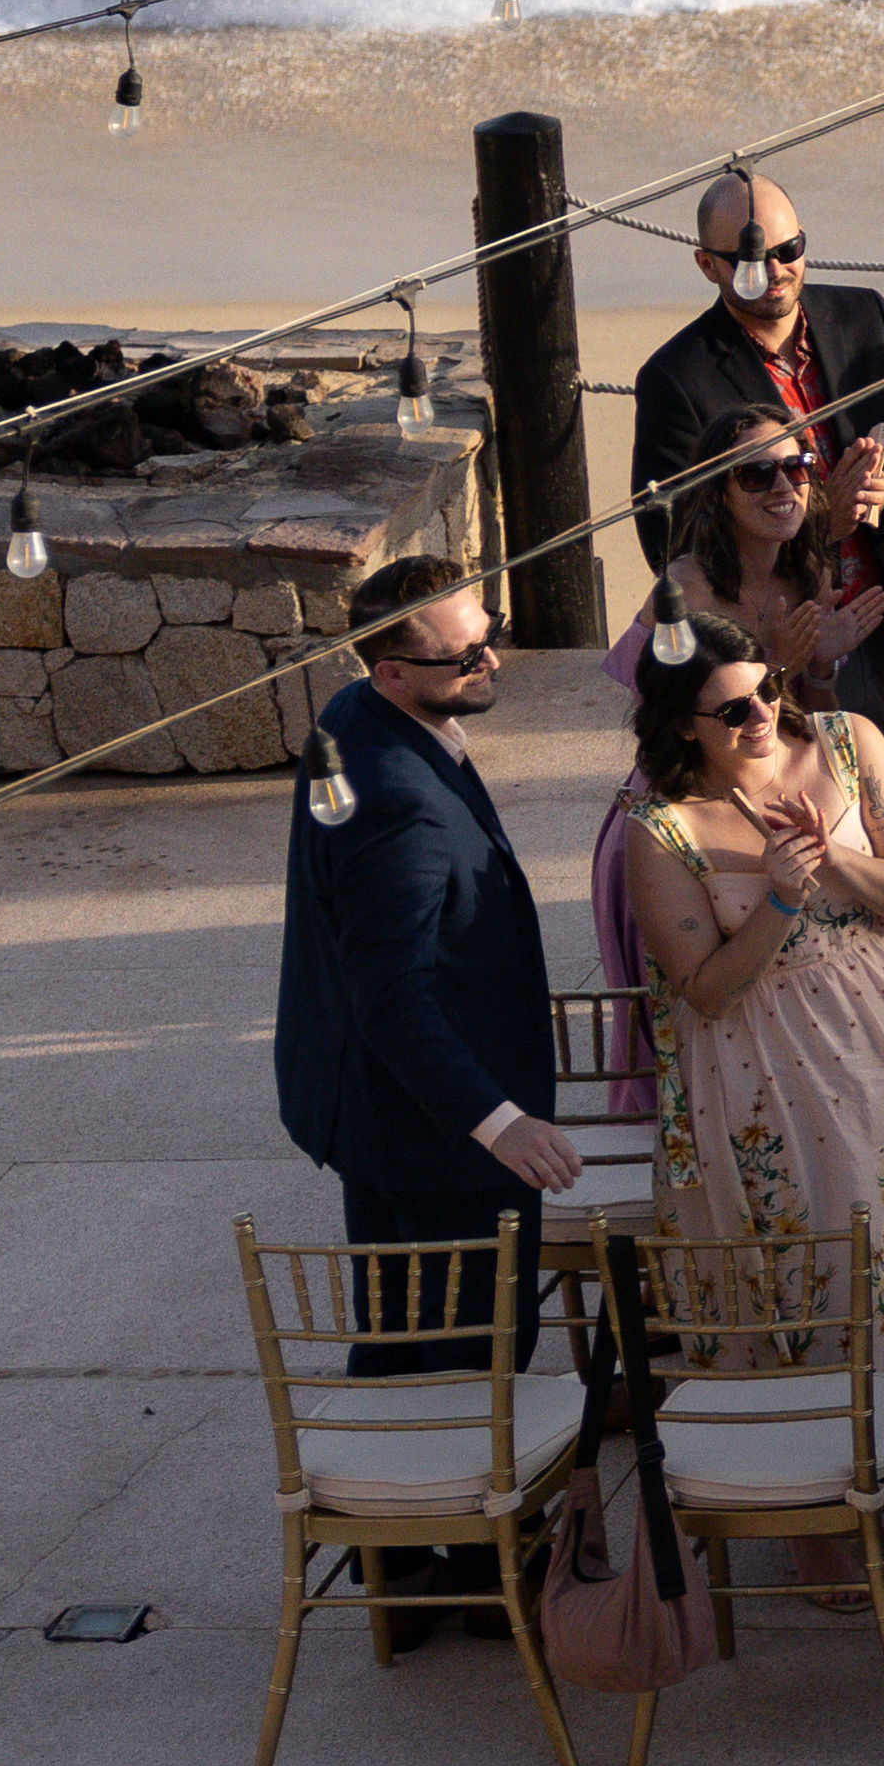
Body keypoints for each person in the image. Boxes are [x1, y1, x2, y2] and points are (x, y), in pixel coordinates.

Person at [620, 629, 884, 1418]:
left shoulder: (850, 742)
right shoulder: (657, 827)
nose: (762, 712)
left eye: (767, 687)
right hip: (765, 1074)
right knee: (819, 1261)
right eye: (732, 709)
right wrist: (781, 900)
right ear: (679, 724)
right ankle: (836, 1449)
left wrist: (831, 859)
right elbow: (705, 991)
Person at [270, 561, 572, 1318]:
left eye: (489, 636)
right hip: (435, 1142)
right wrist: (502, 1127)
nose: (491, 660)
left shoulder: (356, 708)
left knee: (404, 1340)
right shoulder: (401, 805)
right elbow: (392, 998)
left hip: (381, 1116)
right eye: (466, 657)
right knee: (462, 1359)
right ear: (395, 672)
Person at [625, 168, 884, 652]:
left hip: (871, 616)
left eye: (787, 250)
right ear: (706, 265)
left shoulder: (866, 318)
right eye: (748, 259)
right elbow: (669, 541)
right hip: (764, 642)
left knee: (868, 732)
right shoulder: (675, 377)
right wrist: (820, 523)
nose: (774, 271)